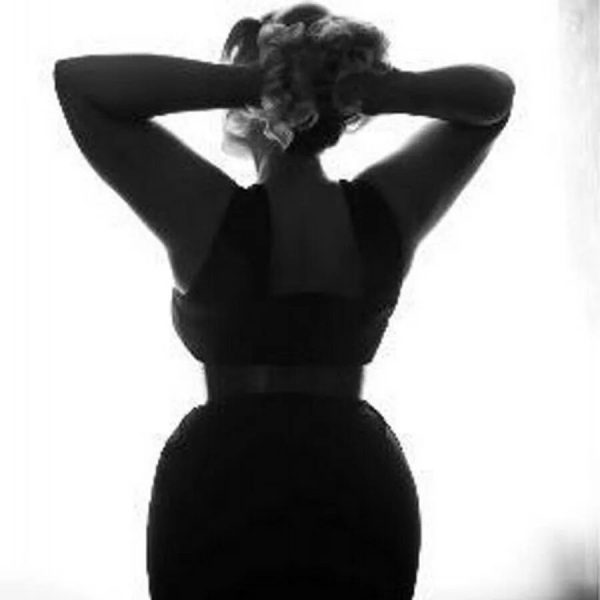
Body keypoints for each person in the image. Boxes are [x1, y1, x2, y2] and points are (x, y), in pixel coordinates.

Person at [53, 3, 515, 599]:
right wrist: (385, 91)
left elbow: (80, 84)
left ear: (249, 113)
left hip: (224, 483)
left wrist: (249, 85)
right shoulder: (385, 209)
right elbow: (493, 100)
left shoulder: (205, 214)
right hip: (352, 482)